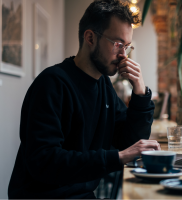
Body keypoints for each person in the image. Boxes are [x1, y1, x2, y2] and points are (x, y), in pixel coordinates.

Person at [8, 0, 160, 198]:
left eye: (127, 46)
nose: (124, 55)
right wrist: (117, 157)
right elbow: (44, 161)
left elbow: (129, 141)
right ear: (90, 37)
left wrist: (140, 92)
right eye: (118, 44)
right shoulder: (52, 83)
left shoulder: (103, 85)